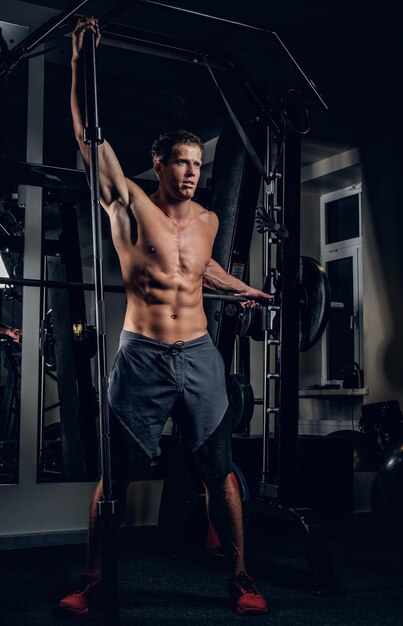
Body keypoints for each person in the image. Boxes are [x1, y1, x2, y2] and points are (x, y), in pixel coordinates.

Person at [59, 17, 270, 617]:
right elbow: (88, 138)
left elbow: (201, 271)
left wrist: (245, 289)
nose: (191, 172)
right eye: (180, 162)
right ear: (159, 163)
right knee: (115, 476)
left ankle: (241, 576)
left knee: (220, 471)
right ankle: (94, 578)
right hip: (144, 353)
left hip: (200, 353)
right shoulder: (127, 203)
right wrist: (81, 62)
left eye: (197, 164)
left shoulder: (205, 220)